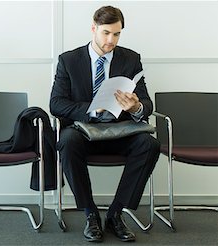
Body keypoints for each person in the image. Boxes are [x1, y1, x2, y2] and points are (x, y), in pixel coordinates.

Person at [49, 6, 160, 243]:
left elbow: (146, 102)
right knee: (66, 140)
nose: (111, 40)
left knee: (149, 144)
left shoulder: (131, 59)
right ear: (94, 29)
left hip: (120, 132)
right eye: (106, 33)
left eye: (117, 34)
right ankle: (90, 214)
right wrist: (91, 108)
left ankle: (115, 214)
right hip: (84, 132)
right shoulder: (68, 60)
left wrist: (136, 108)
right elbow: (56, 104)